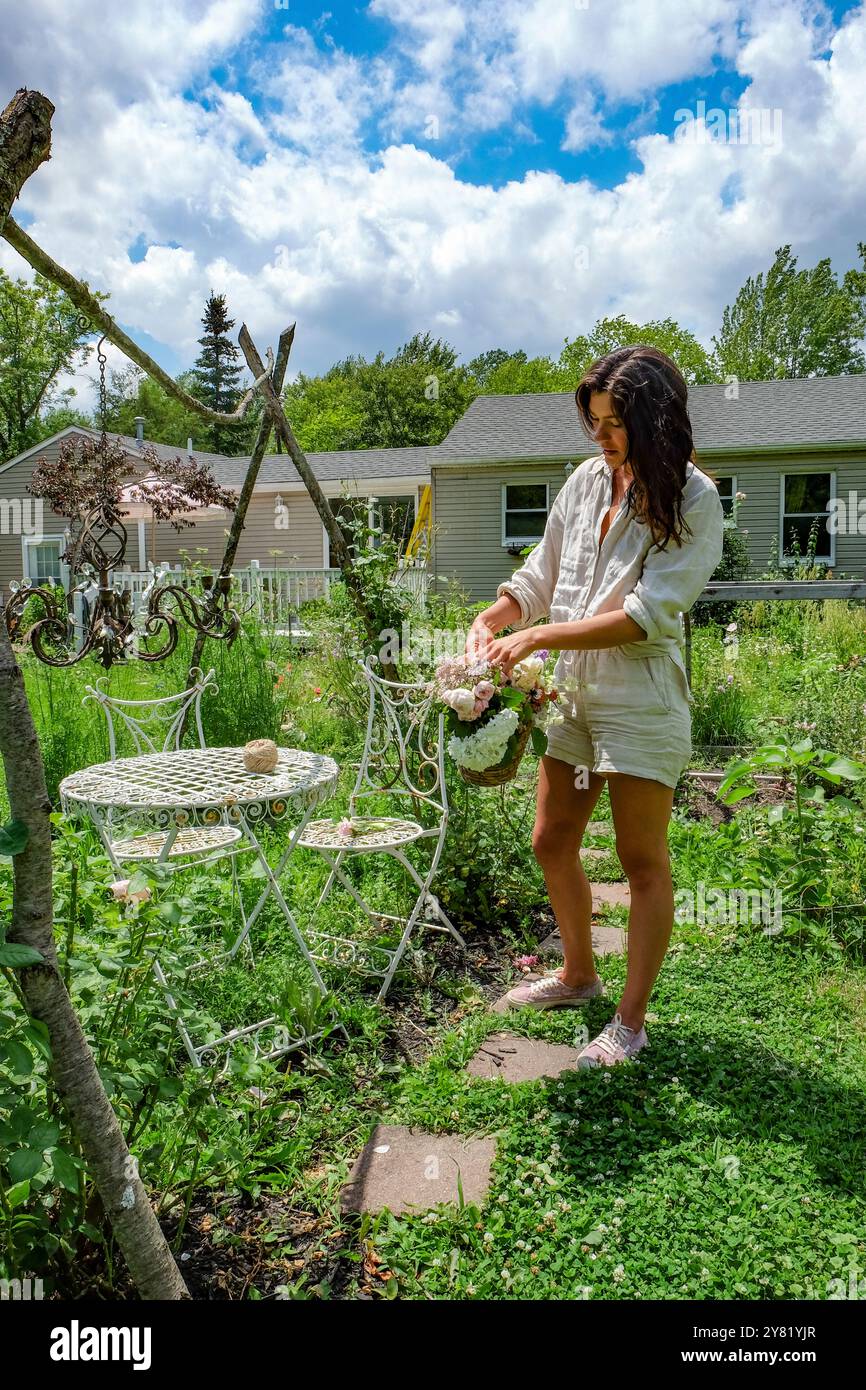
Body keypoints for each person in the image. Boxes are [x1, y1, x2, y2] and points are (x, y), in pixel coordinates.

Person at [465, 345, 724, 1067]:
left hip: (639, 694)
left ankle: (630, 1024)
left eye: (618, 424)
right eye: (597, 423)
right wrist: (497, 618)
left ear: (657, 420)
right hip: (570, 693)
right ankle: (578, 975)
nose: (604, 439)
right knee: (551, 839)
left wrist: (539, 635)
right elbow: (541, 576)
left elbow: (647, 613)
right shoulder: (585, 481)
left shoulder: (694, 499)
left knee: (641, 860)